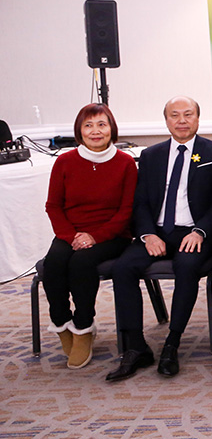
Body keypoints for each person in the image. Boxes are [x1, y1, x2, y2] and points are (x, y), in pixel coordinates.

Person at [106, 97, 212, 382]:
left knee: (187, 266)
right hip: (156, 232)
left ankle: (172, 343)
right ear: (166, 120)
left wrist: (200, 231)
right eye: (174, 115)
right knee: (123, 268)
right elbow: (141, 201)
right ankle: (136, 347)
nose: (181, 121)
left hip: (193, 232)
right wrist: (147, 235)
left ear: (198, 119)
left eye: (188, 114)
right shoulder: (151, 155)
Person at [43, 103, 137, 369]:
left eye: (101, 125)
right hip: (71, 233)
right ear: (80, 131)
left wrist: (95, 237)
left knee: (81, 263)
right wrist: (71, 236)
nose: (96, 131)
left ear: (111, 129)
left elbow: (127, 211)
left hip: (112, 235)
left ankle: (84, 327)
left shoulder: (125, 163)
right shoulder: (64, 161)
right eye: (89, 125)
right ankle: (62, 323)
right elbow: (53, 206)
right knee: (54, 263)